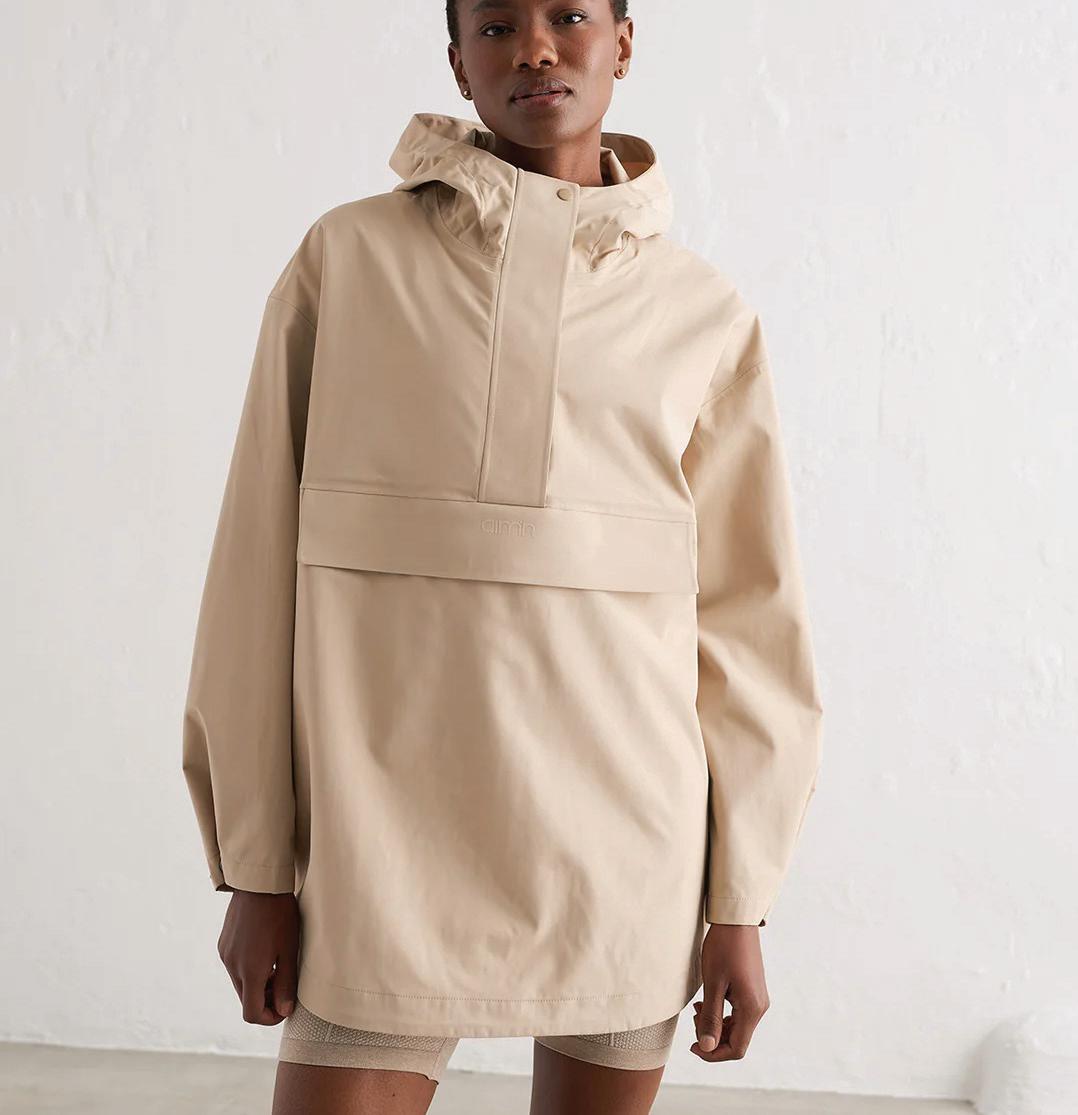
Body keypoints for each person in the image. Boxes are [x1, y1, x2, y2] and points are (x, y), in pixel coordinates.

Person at [181, 1, 824, 1112]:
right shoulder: (348, 261)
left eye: (568, 15)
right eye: (494, 25)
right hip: (380, 851)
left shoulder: (703, 314)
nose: (533, 47)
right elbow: (251, 578)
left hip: (625, 845)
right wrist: (257, 866)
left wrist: (741, 900)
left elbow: (752, 630)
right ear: (455, 61)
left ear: (624, 43)